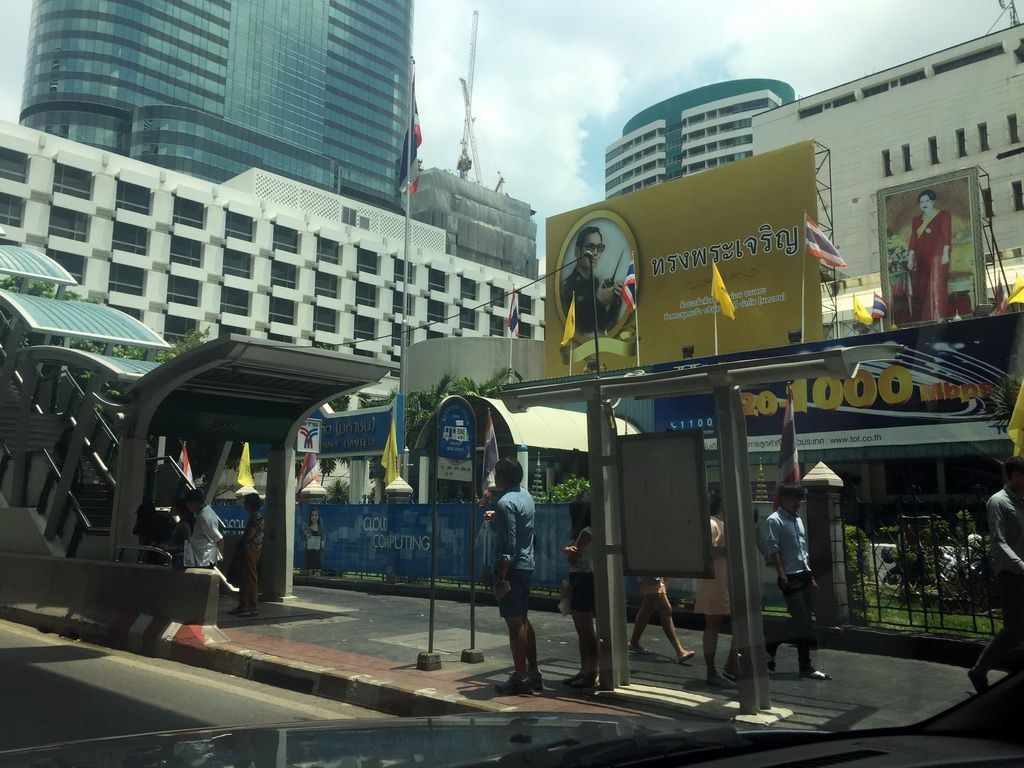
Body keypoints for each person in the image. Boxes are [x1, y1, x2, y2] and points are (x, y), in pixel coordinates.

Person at [968, 456, 1024, 693]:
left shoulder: (1022, 502)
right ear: (1016, 475)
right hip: (1012, 574)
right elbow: (998, 541)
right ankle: (978, 671)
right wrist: (1021, 566)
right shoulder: (998, 502)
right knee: (1014, 630)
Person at [764, 483, 830, 680]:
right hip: (789, 577)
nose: (796, 504)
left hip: (804, 575)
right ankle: (771, 644)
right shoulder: (774, 520)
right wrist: (781, 574)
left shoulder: (798, 520)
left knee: (806, 623)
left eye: (799, 500)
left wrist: (811, 577)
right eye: (792, 500)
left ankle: (803, 665)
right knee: (801, 621)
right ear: (782, 499)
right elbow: (773, 549)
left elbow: (803, 550)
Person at [491, 457, 542, 696]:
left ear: (501, 476)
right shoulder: (525, 496)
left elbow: (507, 546)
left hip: (511, 569)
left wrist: (501, 579)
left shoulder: (505, 503)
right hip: (527, 565)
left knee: (514, 624)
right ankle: (533, 672)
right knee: (523, 619)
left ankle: (521, 677)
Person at [694, 491, 737, 686]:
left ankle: (728, 668)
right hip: (715, 582)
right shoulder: (712, 523)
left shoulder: (720, 523)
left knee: (718, 626)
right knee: (713, 626)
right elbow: (706, 552)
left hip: (722, 581)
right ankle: (713, 672)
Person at [562, 494, 599, 688]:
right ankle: (585, 670)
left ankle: (591, 672)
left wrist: (568, 550)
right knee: (582, 630)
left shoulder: (586, 531)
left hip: (583, 579)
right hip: (582, 578)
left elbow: (572, 554)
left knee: (585, 630)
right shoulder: (590, 530)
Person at [559, 226, 623, 337]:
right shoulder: (567, 288)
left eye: (599, 247)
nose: (595, 253)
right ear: (578, 251)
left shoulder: (598, 283)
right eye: (590, 247)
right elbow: (575, 329)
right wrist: (598, 302)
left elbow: (606, 327)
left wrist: (615, 302)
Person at [906, 188, 952, 322]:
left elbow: (946, 234)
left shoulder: (943, 215)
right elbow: (913, 239)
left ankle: (939, 316)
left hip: (937, 256)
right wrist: (910, 258)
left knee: (937, 286)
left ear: (933, 202)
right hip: (921, 258)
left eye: (927, 200)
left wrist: (945, 254)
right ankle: (927, 318)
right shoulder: (916, 220)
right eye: (921, 201)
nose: (924, 203)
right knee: (922, 287)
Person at [628, 577, 696, 664]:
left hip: (653, 577)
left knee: (647, 608)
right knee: (666, 610)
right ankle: (680, 651)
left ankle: (634, 642)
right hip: (652, 578)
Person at [229, 493, 264, 618]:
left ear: (250, 505)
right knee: (245, 578)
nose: (244, 505)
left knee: (250, 579)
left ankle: (252, 607)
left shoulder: (255, 519)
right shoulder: (254, 517)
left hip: (251, 550)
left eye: (245, 503)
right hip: (251, 550)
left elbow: (249, 536)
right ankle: (243, 605)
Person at [183, 488, 223, 569]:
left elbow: (219, 539)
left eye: (188, 504)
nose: (187, 507)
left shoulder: (205, 517)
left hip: (205, 559)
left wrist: (220, 554)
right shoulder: (203, 513)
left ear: (193, 503)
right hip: (201, 557)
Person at [132, 500, 175, 565]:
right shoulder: (162, 520)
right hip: (160, 549)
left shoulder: (143, 521)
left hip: (145, 550)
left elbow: (135, 531)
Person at [165, 498, 195, 570]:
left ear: (179, 510)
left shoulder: (184, 525)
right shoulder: (180, 523)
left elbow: (188, 544)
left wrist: (170, 548)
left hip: (178, 558)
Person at [303, 506, 325, 575]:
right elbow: (305, 543)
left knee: (317, 575)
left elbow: (323, 543)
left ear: (318, 517)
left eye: (316, 515)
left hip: (318, 556)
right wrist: (307, 543)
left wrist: (320, 544)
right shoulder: (307, 528)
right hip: (309, 555)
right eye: (312, 515)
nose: (314, 517)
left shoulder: (321, 528)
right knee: (309, 575)